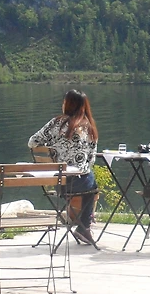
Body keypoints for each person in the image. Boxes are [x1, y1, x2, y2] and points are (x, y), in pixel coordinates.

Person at [28, 89, 100, 246]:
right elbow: (91, 160)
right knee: (92, 186)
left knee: (90, 185)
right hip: (82, 184)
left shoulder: (57, 123)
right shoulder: (90, 128)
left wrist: (51, 147)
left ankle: (83, 225)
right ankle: (85, 227)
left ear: (68, 104)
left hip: (60, 183)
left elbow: (32, 142)